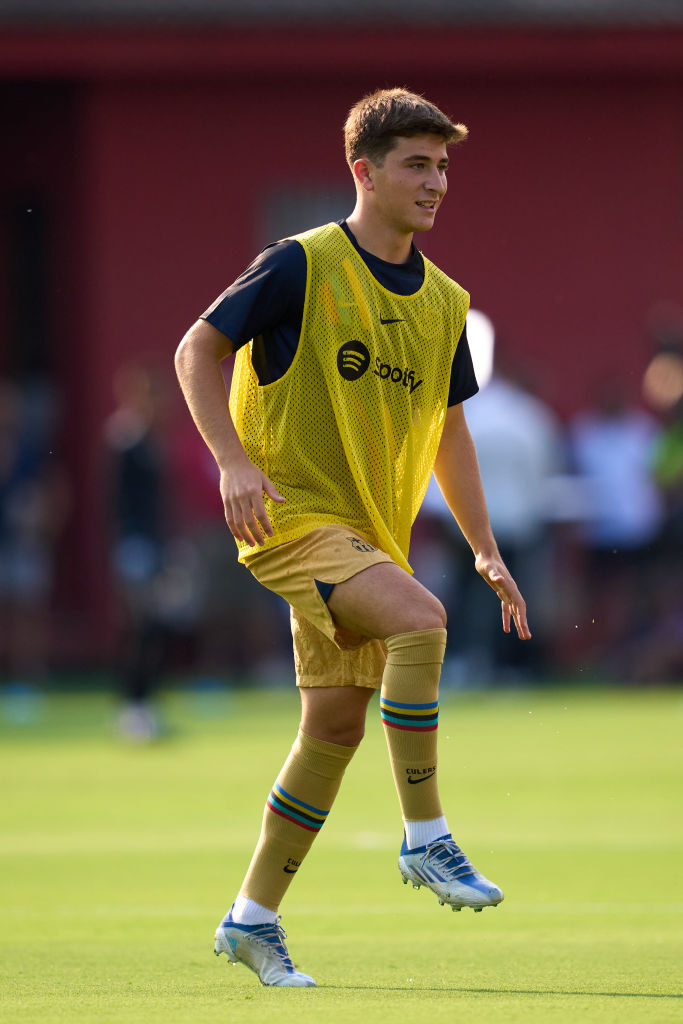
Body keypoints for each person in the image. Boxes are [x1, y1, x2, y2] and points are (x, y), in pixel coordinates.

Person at [175, 88, 530, 988]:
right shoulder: (299, 263)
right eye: (416, 164)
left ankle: (251, 919)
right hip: (287, 513)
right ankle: (426, 836)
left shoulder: (445, 302)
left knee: (333, 728)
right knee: (421, 620)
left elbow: (449, 430)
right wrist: (231, 463)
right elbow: (195, 351)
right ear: (363, 171)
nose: (435, 181)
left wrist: (485, 546)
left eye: (442, 166)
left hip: (367, 539)